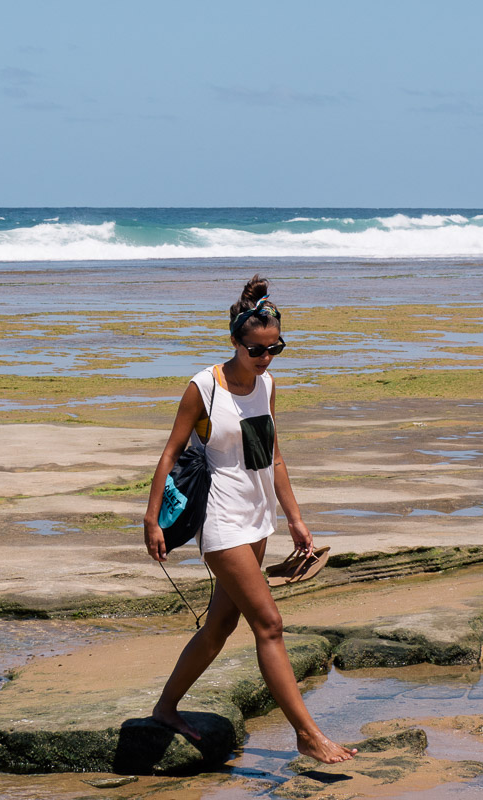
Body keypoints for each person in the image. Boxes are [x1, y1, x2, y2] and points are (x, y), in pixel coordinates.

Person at [143, 275, 357, 764]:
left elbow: (274, 456)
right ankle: (307, 734)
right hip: (220, 521)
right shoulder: (204, 388)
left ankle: (165, 707)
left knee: (219, 627)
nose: (265, 358)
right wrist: (152, 520)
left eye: (275, 348)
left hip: (258, 517)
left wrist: (295, 518)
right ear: (236, 341)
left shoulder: (267, 384)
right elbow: (169, 452)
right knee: (270, 624)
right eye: (256, 350)